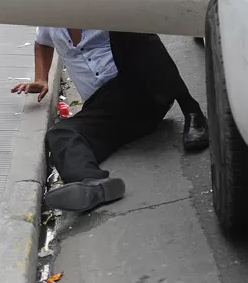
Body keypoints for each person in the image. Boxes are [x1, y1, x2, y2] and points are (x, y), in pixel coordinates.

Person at [13, 30, 210, 213]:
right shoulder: (50, 15)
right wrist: (41, 79)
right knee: (61, 133)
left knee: (130, 27)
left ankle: (192, 112)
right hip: (104, 108)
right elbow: (42, 42)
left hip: (143, 90)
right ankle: (90, 183)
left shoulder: (105, 2)